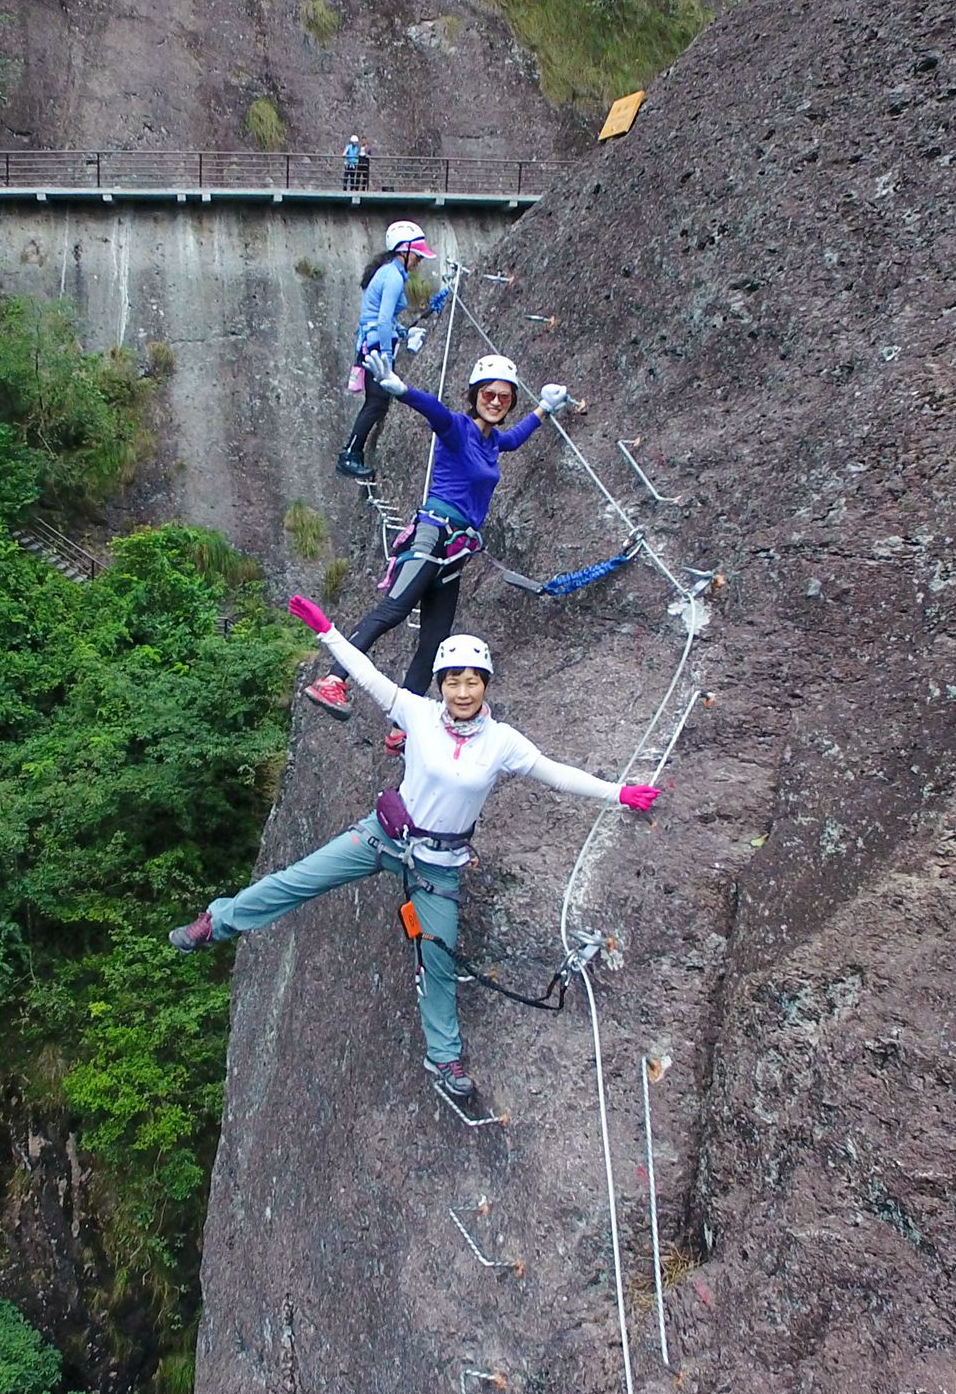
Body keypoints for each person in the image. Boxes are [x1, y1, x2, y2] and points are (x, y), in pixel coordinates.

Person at [169, 610, 662, 1098]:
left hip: (437, 866)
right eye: (453, 682)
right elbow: (367, 677)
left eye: (472, 682)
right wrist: (329, 633)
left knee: (438, 959)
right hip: (385, 834)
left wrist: (617, 794)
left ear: (485, 685)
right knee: (299, 879)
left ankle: (444, 1057)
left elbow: (555, 773)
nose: (463, 692)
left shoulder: (502, 742)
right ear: (441, 684)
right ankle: (217, 922)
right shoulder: (418, 713)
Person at [318, 350, 571, 754]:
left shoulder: (492, 442)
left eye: (504, 397)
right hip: (433, 535)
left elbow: (515, 438)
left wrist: (544, 407)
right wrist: (402, 391)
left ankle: (403, 725)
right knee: (392, 611)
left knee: (435, 640)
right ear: (475, 395)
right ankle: (333, 679)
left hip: (456, 551)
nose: (495, 401)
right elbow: (435, 412)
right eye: (488, 394)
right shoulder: (458, 429)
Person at [336, 219, 447, 481]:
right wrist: (386, 356)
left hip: (372, 341)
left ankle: (354, 453)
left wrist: (404, 332)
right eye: (416, 254)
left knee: (376, 402)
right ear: (403, 250)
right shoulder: (393, 277)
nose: (419, 259)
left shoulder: (390, 273)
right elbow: (383, 319)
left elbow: (382, 318)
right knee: (376, 402)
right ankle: (350, 454)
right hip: (375, 346)